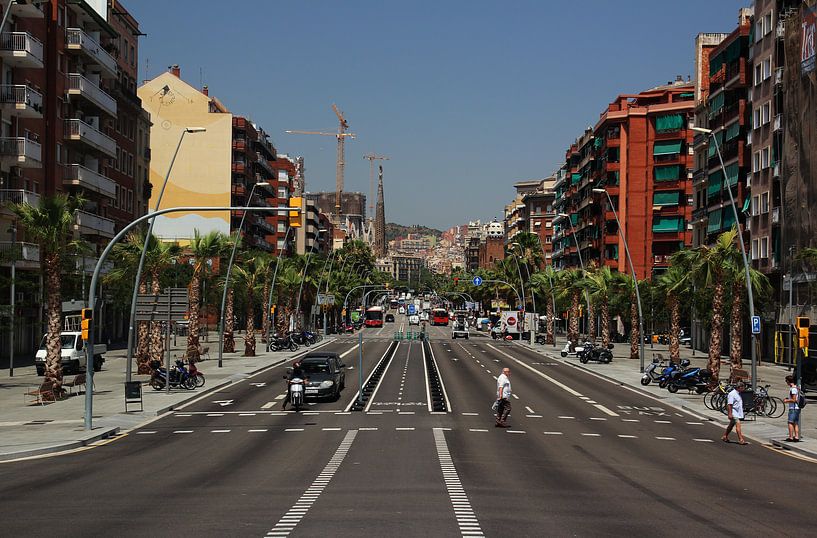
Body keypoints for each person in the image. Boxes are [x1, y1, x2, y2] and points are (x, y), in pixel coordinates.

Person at [783, 375, 801, 442]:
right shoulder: (796, 388)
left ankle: (791, 437)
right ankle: (796, 437)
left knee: (790, 422)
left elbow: (794, 400)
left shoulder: (793, 389)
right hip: (796, 408)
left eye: (786, 381)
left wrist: (786, 401)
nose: (786, 382)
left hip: (793, 408)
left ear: (788, 381)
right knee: (795, 423)